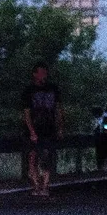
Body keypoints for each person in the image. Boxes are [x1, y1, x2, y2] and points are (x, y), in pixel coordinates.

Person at [21, 62, 63, 196]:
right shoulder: (29, 91)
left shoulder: (53, 89)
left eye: (45, 72)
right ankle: (36, 185)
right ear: (35, 74)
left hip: (49, 128)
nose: (43, 75)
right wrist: (31, 131)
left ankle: (45, 185)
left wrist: (60, 127)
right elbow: (26, 113)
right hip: (34, 128)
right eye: (41, 72)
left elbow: (58, 109)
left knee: (47, 156)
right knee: (32, 156)